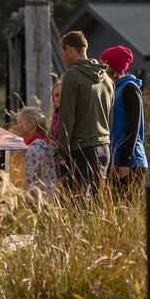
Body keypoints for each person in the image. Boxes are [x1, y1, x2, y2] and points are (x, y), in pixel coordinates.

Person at [56, 30, 114, 190]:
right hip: (104, 148)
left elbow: (66, 117)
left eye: (62, 53)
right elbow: (110, 117)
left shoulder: (71, 76)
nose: (63, 58)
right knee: (97, 200)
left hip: (80, 150)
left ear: (69, 49)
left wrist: (62, 152)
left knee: (77, 200)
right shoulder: (106, 78)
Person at [98, 45, 148, 186]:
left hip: (130, 163)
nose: (100, 69)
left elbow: (134, 126)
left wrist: (125, 160)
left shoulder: (129, 88)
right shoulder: (112, 89)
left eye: (102, 65)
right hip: (114, 161)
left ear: (111, 68)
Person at [15, 106, 59, 195]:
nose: (17, 125)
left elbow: (30, 179)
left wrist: (27, 198)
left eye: (20, 122)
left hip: (37, 197)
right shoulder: (45, 145)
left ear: (31, 125)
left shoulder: (34, 150)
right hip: (51, 196)